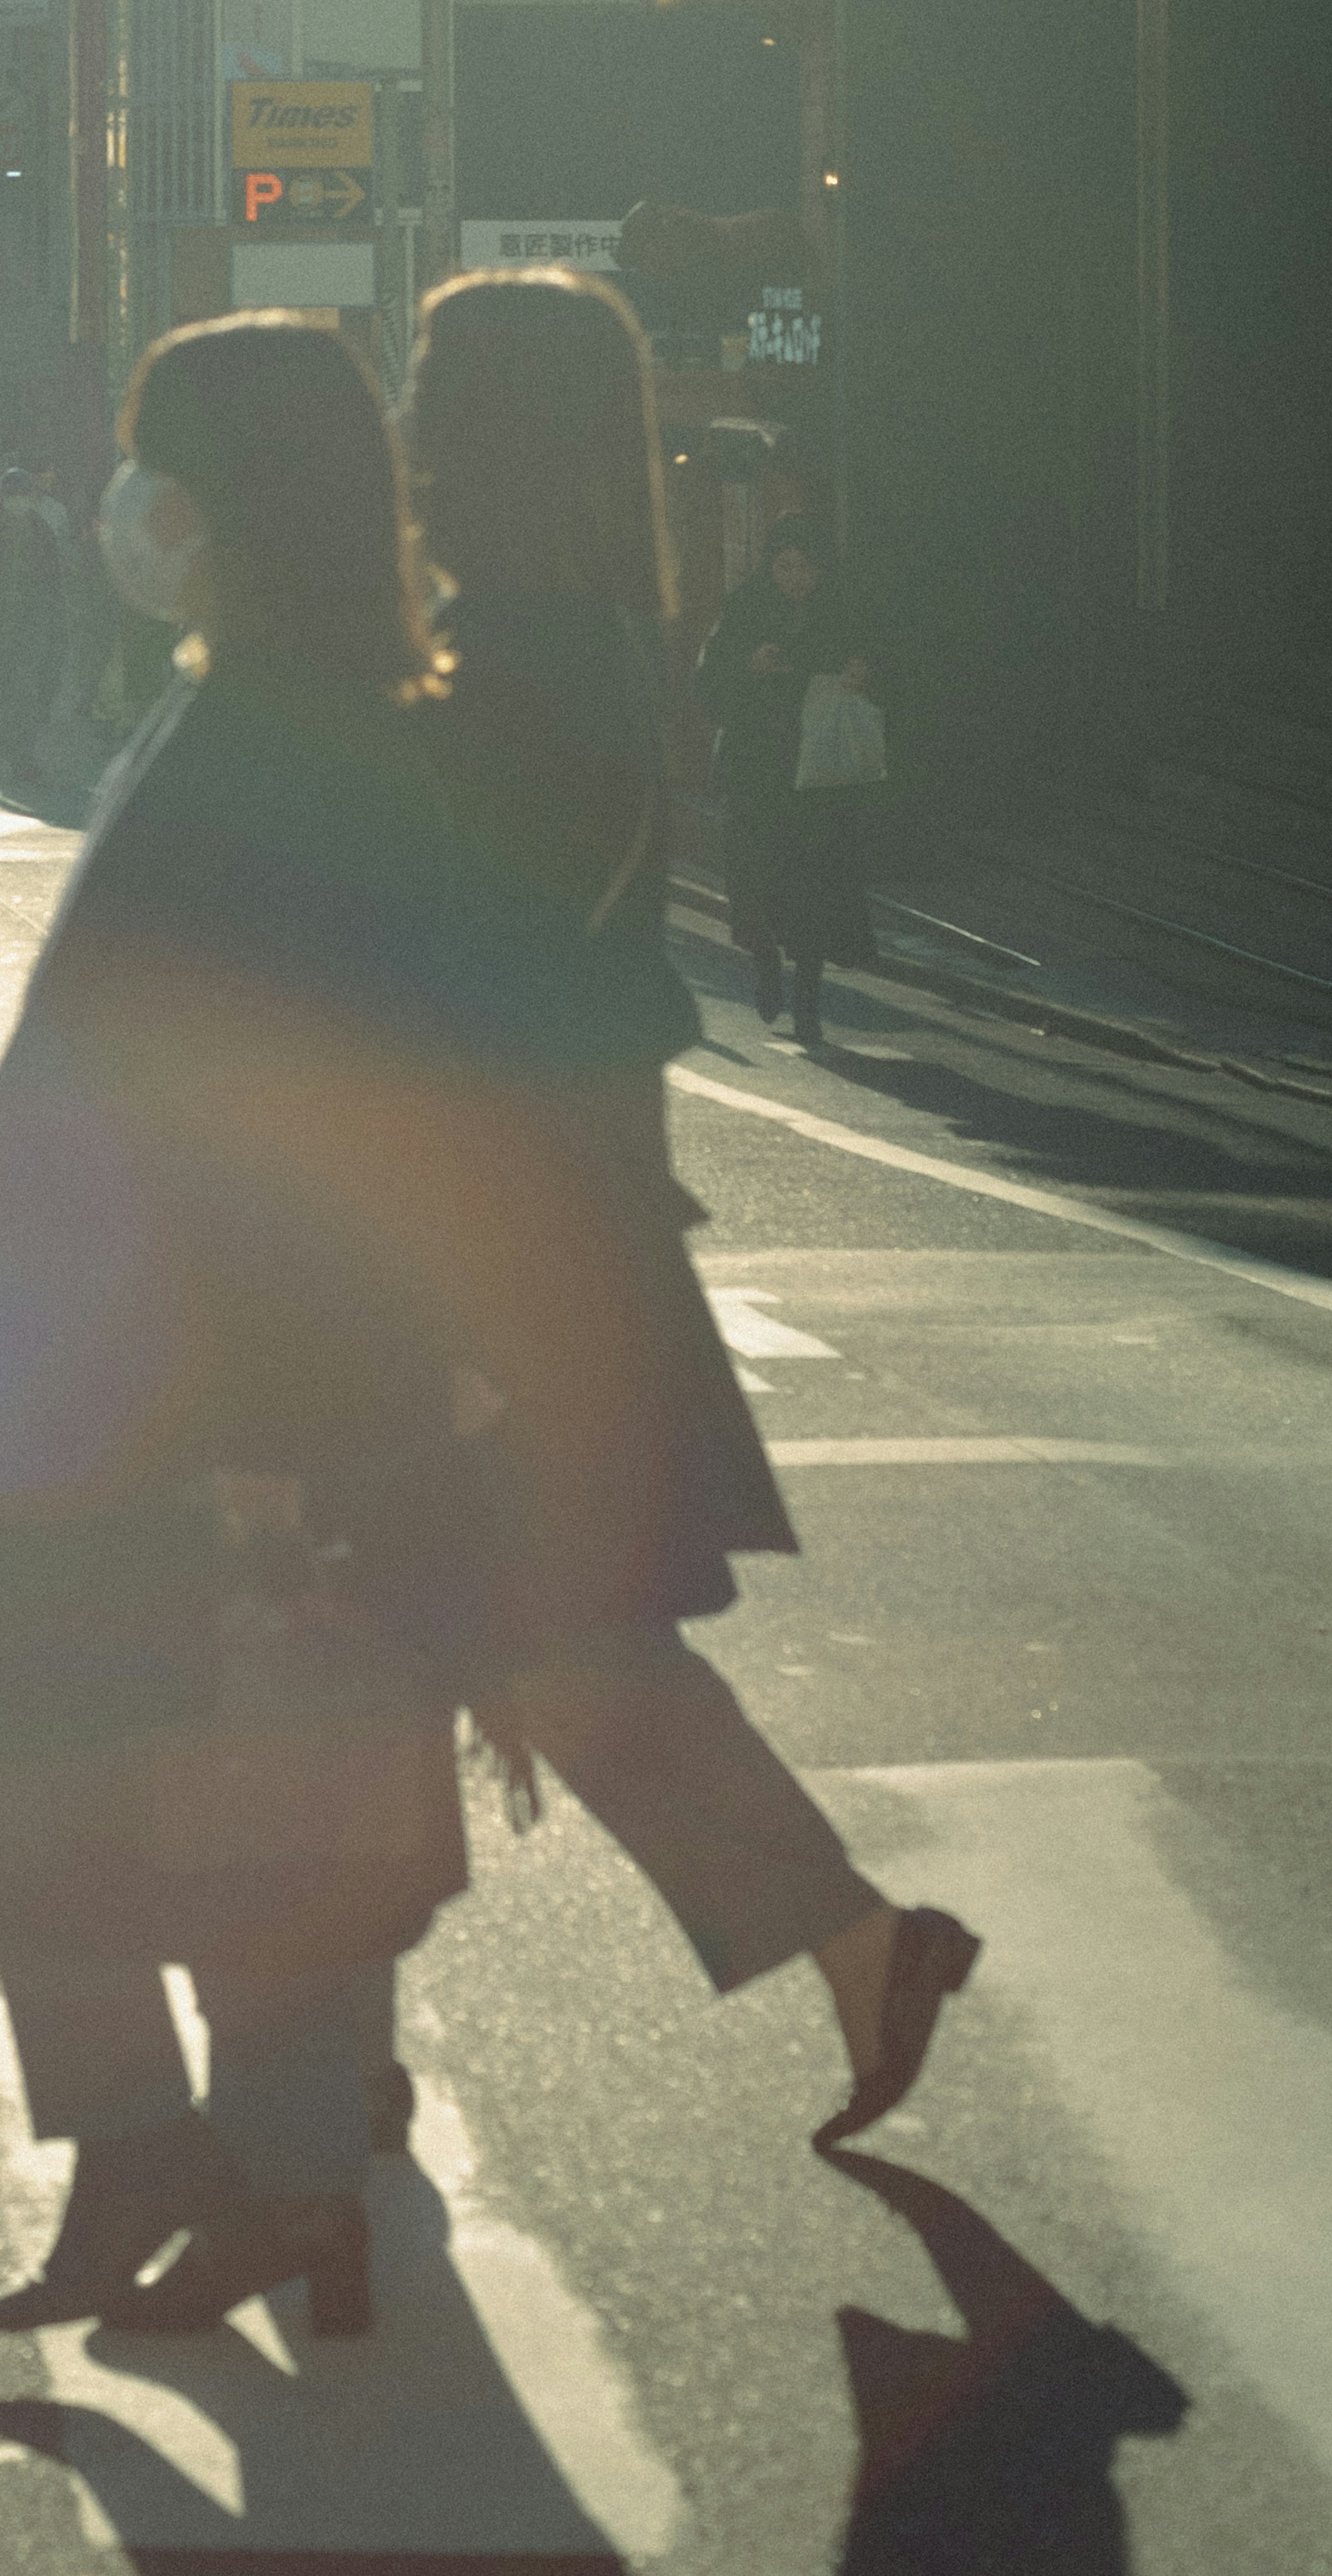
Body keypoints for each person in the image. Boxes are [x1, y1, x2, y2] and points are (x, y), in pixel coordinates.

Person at [0, 317, 483, 2340]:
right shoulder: (253, 710)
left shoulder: (294, 741)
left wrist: (290, 1414)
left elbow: (302, 1105)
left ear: (222, 508)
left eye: (148, 473)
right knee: (102, 1771)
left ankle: (246, 2173)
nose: (123, 512)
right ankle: (178, 2161)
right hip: (93, 1363)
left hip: (180, 1377)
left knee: (167, 1771)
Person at [400, 269, 978, 2164]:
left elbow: (474, 967)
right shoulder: (580, 637)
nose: (401, 427)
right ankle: (842, 1945)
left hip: (512, 1221)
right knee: (546, 1631)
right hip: (558, 1204)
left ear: (489, 434)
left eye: (427, 393)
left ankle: (309, 2100)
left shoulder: (511, 662)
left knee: (513, 1627)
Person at [697, 517, 884, 1047]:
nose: (795, 578)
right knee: (755, 884)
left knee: (813, 891)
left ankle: (807, 1007)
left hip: (818, 778)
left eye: (806, 567)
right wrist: (748, 665)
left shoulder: (844, 613)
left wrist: (862, 675)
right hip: (757, 773)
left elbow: (887, 672)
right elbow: (706, 688)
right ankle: (762, 960)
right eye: (785, 566)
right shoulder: (743, 609)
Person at [0, 469, 66, 794]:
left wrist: (57, 625)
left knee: (24, 691)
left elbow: (54, 582)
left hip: (29, 623)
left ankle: (21, 755)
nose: (18, 502)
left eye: (23, 494)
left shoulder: (42, 531)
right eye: (13, 495)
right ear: (2, 497)